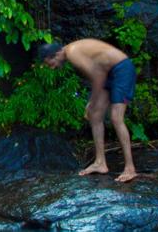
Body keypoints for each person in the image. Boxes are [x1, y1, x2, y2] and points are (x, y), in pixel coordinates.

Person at [39, 39, 138, 183]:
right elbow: (99, 74)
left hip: (121, 69)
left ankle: (130, 168)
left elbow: (98, 76)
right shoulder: (71, 52)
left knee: (116, 117)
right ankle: (100, 163)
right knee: (95, 115)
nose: (52, 68)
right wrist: (93, 104)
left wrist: (91, 102)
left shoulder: (72, 53)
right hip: (108, 72)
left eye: (51, 64)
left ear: (57, 53)